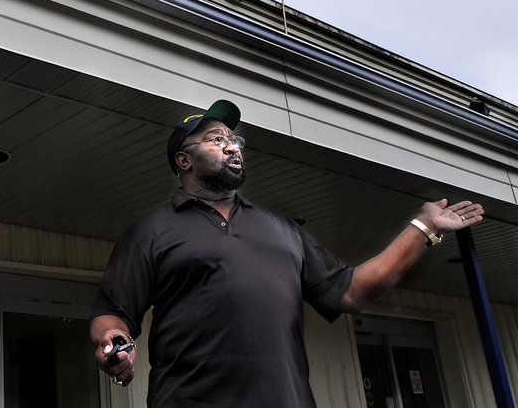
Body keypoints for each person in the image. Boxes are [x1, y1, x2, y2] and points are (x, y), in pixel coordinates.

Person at [89, 99, 484, 408]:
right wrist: (114, 342)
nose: (232, 147)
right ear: (184, 159)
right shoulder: (150, 232)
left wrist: (424, 227)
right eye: (216, 139)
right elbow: (113, 312)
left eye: (234, 139)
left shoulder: (282, 229)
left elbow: (352, 290)